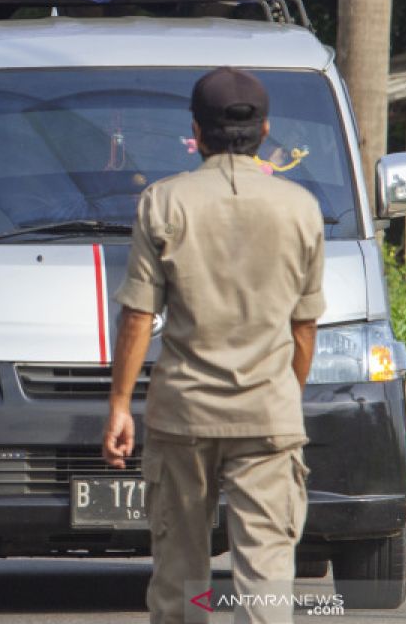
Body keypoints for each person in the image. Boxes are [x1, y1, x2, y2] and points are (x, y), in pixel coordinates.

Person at [102, 67, 324, 624]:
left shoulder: (163, 202)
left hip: (184, 415)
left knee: (181, 578)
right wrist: (283, 394)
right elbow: (304, 327)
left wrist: (119, 407)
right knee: (266, 580)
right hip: (268, 414)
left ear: (195, 133)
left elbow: (138, 314)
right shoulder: (300, 207)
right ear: (266, 129)